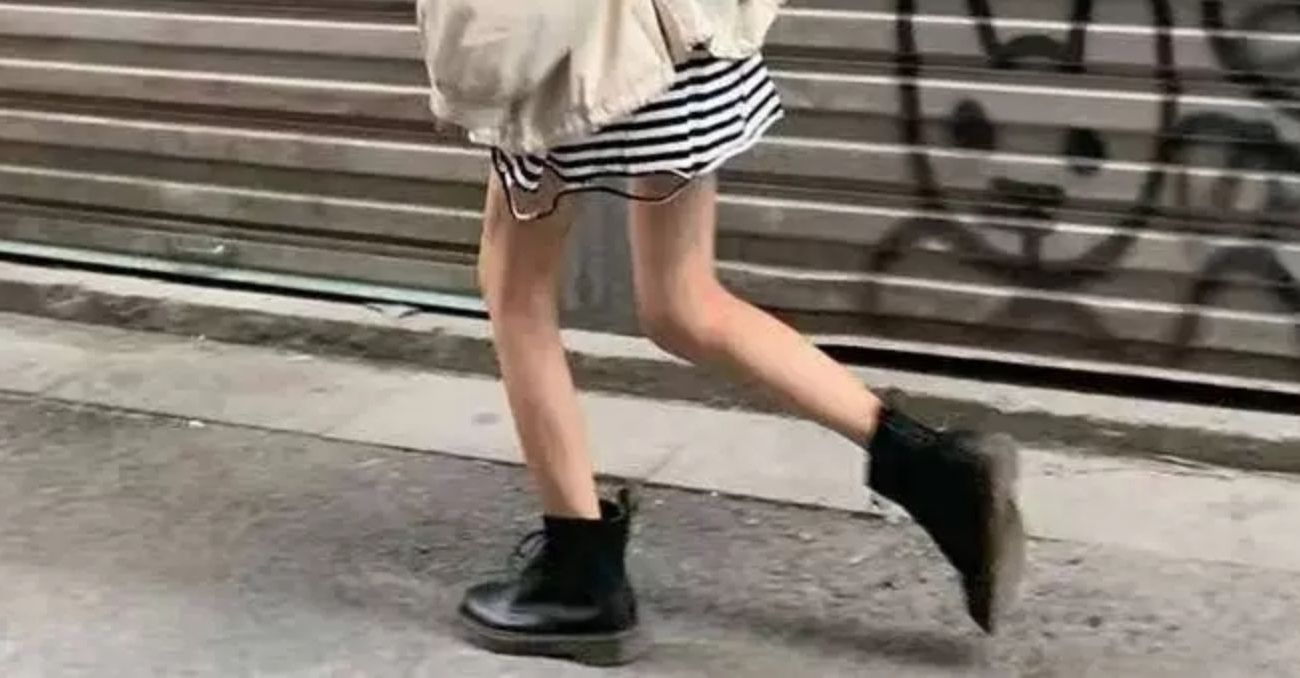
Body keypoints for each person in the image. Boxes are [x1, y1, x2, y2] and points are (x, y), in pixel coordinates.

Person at [417, 0, 1025, 666]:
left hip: (585, 52)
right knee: (683, 303)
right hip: (688, 46)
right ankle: (934, 469)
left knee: (515, 289)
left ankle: (579, 575)